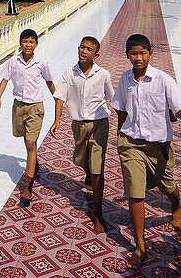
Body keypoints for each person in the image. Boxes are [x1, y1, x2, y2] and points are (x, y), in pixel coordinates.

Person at [111, 33, 181, 270]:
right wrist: (119, 132)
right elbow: (121, 109)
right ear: (127, 55)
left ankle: (176, 204)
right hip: (131, 143)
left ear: (151, 54)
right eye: (133, 53)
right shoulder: (125, 79)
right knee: (135, 192)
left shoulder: (163, 80)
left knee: (167, 185)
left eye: (143, 53)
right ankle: (140, 246)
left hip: (159, 145)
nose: (138, 57)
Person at [49, 36, 113, 233]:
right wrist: (57, 120)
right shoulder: (70, 73)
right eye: (82, 47)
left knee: (97, 167)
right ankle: (88, 173)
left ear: (96, 54)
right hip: (79, 124)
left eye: (89, 49)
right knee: (80, 158)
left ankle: (98, 211)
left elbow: (112, 98)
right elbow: (60, 97)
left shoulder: (103, 74)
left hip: (100, 123)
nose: (84, 51)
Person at [0, 28, 56, 206]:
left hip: (36, 107)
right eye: (25, 41)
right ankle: (33, 162)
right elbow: (4, 79)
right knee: (27, 141)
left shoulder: (41, 63)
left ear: (36, 44)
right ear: (20, 43)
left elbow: (49, 82)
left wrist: (58, 101)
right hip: (19, 107)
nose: (28, 45)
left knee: (30, 143)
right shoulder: (13, 62)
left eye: (31, 42)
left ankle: (27, 186)